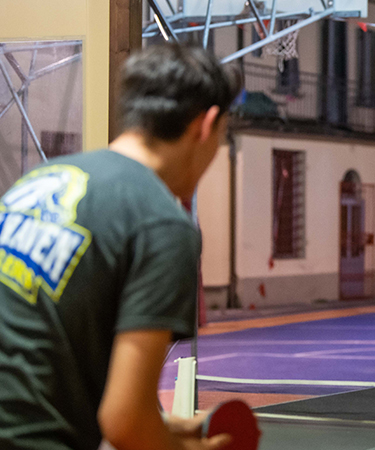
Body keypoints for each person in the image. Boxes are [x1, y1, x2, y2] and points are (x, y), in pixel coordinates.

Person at [0, 44, 241, 450]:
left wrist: (161, 429)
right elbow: (126, 422)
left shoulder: (41, 179)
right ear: (207, 124)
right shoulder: (162, 223)